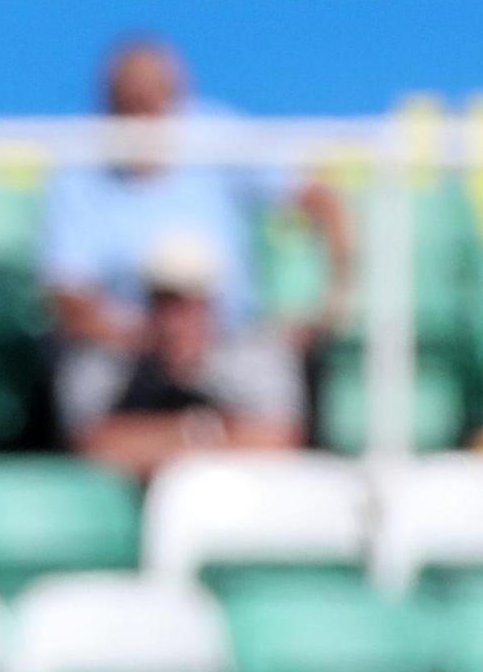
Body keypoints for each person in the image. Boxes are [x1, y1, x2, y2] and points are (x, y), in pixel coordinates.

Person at [40, 35, 349, 372]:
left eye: (152, 101)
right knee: (87, 380)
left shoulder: (216, 137)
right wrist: (150, 338)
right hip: (125, 350)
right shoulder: (79, 168)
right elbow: (68, 293)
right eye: (128, 105)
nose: (141, 121)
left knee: (269, 380)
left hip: (229, 342)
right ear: (109, 102)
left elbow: (320, 198)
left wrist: (327, 308)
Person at [62, 235, 304, 478]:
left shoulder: (255, 354)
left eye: (192, 303)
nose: (176, 321)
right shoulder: (108, 361)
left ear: (213, 305)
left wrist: (154, 443)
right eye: (165, 302)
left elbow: (277, 442)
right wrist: (207, 433)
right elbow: (92, 446)